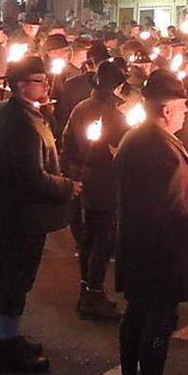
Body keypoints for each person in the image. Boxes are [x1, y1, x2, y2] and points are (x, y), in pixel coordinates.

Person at [113, 69, 188, 375]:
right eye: (182, 104)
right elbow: (178, 208)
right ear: (165, 109)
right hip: (161, 254)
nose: (187, 110)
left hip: (138, 246)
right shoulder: (163, 150)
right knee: (157, 324)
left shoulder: (134, 138)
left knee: (136, 317)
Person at [0, 56, 81, 372]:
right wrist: (67, 186)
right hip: (21, 215)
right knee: (14, 278)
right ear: (22, 84)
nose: (47, 85)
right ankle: (6, 345)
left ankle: (7, 334)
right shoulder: (20, 121)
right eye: (41, 79)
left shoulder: (11, 112)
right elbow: (31, 175)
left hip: (13, 212)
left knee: (13, 277)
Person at [61, 59, 129, 320]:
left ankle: (87, 290)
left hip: (83, 182)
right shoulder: (114, 116)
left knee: (88, 238)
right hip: (105, 184)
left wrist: (73, 173)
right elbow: (124, 153)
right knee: (101, 239)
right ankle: (93, 293)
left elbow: (66, 143)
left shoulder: (81, 108)